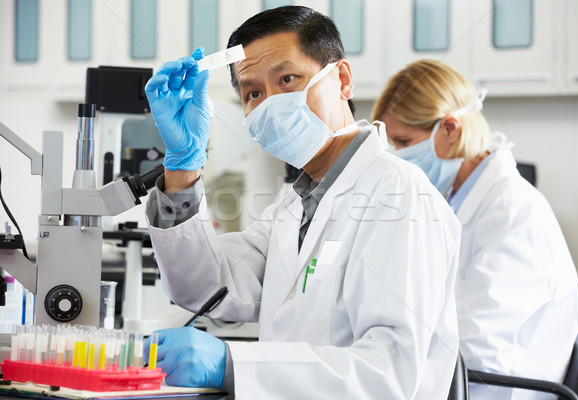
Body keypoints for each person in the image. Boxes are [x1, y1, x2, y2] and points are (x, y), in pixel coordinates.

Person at [142, 6, 462, 399]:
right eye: (253, 93)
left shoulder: (400, 196)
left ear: (342, 79)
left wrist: (232, 366)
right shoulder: (293, 206)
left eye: (287, 79)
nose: (271, 104)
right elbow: (208, 288)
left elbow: (389, 375)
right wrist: (184, 168)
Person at [372, 59, 578, 399]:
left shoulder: (513, 211)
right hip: (459, 381)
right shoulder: (453, 203)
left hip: (496, 389)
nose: (396, 156)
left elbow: (482, 349)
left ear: (450, 129)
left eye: (402, 141)